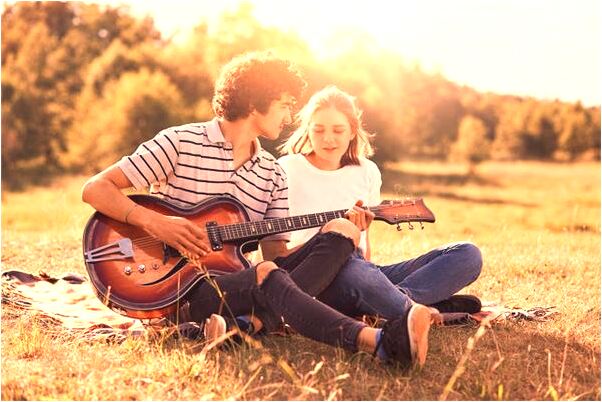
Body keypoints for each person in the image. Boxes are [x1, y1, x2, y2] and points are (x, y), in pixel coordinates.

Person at [81, 52, 433, 368]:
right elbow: (95, 188)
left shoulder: (271, 173)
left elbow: (278, 256)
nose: (289, 114)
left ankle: (245, 325)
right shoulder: (181, 141)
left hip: (234, 283)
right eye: (282, 103)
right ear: (254, 103)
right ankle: (378, 343)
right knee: (266, 273)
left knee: (342, 232)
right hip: (176, 286)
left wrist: (329, 238)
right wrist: (157, 224)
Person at [277, 85, 483, 322]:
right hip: (318, 277)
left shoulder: (366, 171)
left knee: (467, 254)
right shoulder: (287, 168)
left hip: (360, 270)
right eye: (319, 129)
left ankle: (396, 303)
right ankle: (416, 309)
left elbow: (366, 243)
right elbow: (277, 254)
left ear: (352, 131)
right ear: (308, 130)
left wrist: (367, 269)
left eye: (338, 130)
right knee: (354, 272)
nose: (328, 138)